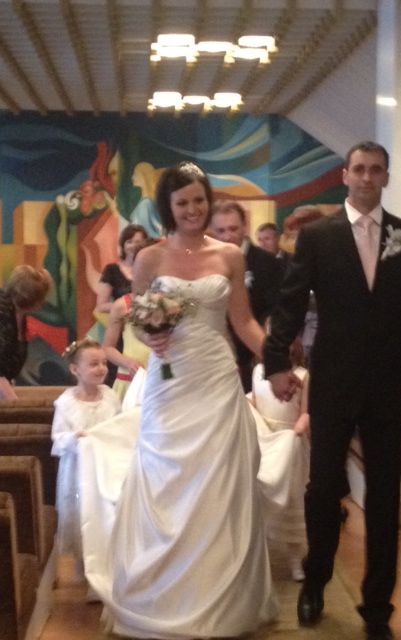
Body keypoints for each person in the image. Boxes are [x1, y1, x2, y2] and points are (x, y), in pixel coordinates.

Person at [80, 161, 277, 638]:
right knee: (166, 477)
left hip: (216, 379)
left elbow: (243, 321)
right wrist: (151, 335)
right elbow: (138, 317)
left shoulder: (229, 256)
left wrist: (279, 359)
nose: (193, 209)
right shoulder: (150, 258)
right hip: (170, 381)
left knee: (219, 482)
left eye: (199, 200)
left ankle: (219, 597)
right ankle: (163, 594)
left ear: (209, 200)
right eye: (183, 202)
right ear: (168, 207)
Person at [263, 141, 401, 640]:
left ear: (386, 177)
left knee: (384, 497)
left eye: (375, 170)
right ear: (345, 175)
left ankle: (377, 607)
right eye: (359, 169)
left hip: (391, 386)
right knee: (323, 489)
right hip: (334, 382)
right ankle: (316, 581)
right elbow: (290, 302)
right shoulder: (318, 236)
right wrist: (276, 363)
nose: (366, 177)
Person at [51, 338, 120, 581]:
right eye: (93, 364)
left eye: (104, 363)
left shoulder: (110, 396)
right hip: (78, 471)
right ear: (75, 369)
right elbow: (58, 438)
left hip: (107, 467)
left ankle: (109, 566)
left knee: (107, 513)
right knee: (82, 514)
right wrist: (75, 438)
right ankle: (85, 567)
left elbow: (119, 426)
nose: (101, 368)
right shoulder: (66, 403)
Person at [250, 335, 310, 582]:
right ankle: (259, 554)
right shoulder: (258, 372)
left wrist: (298, 430)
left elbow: (306, 412)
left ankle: (295, 557)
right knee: (260, 494)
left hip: (290, 442)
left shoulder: (303, 376)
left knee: (293, 500)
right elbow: (255, 401)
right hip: (265, 440)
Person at [210, 200, 284, 392]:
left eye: (233, 229)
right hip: (212, 352)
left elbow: (275, 307)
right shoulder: (205, 263)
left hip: (252, 353)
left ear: (245, 226)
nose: (227, 236)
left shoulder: (267, 262)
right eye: (221, 230)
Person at [0, 265, 52, 400]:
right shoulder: (3, 314)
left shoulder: (19, 316)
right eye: (42, 297)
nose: (44, 301)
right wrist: (14, 404)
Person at [103, 291, 151, 401]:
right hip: (130, 378)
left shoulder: (170, 303)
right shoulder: (122, 305)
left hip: (161, 375)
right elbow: (107, 348)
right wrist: (128, 363)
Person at [95, 223, 148, 313]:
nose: (133, 246)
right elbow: (101, 306)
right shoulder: (111, 270)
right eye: (129, 242)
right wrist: (128, 305)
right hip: (122, 320)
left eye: (138, 242)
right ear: (123, 245)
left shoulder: (151, 269)